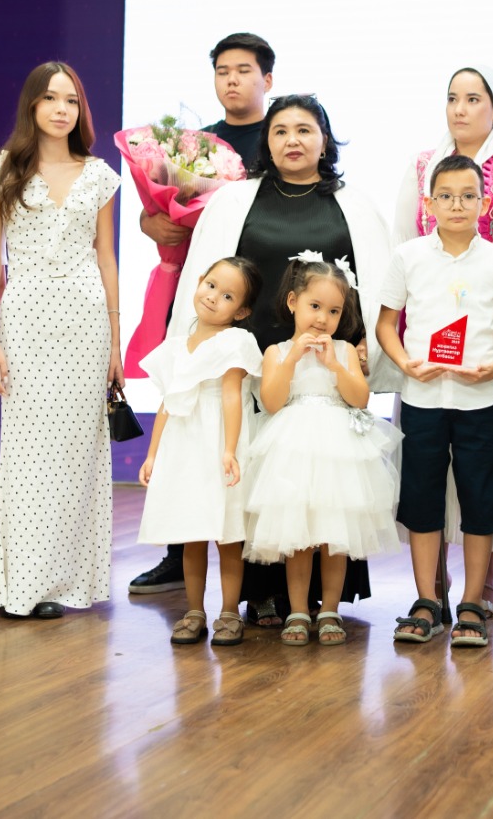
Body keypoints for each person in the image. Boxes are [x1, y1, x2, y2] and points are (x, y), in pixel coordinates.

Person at [169, 93, 399, 624]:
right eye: (280, 131)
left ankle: (324, 600)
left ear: (325, 140)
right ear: (266, 142)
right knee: (264, 472)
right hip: (251, 357)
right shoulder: (234, 200)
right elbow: (205, 279)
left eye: (304, 130)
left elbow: (376, 283)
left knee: (323, 476)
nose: (292, 140)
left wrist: (366, 342)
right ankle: (263, 592)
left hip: (327, 360)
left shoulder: (354, 204)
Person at [390, 65, 493, 617]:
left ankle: (482, 590)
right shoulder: (421, 166)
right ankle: (430, 589)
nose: (460, 108)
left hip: (492, 346)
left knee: (486, 476)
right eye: (452, 97)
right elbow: (402, 247)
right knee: (425, 476)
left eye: (474, 98)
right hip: (426, 353)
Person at [131, 32, 275, 596]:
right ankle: (177, 553)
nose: (232, 80)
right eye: (222, 71)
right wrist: (151, 221)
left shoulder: (278, 136)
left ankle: (255, 565)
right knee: (185, 408)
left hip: (255, 287)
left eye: (244, 70)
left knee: (240, 416)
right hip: (202, 285)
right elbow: (159, 207)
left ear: (267, 78)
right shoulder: (196, 146)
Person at [0, 61, 123, 619]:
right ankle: (24, 584)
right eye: (51, 99)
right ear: (32, 105)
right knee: (27, 452)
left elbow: (106, 258)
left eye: (72, 100)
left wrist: (115, 341)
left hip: (86, 320)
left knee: (79, 454)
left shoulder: (100, 175)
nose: (62, 110)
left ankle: (64, 583)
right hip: (26, 319)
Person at [378, 155, 493, 647]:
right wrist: (405, 364)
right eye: (445, 196)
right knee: (421, 501)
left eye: (468, 196)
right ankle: (427, 602)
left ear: (484, 204)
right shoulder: (408, 257)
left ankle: (471, 605)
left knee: (480, 500)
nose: (457, 205)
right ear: (429, 204)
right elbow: (386, 325)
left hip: (479, 400)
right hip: (421, 398)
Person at [244, 257, 401, 646]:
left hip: (337, 453)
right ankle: (298, 610)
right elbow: (272, 402)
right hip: (292, 450)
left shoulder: (344, 350)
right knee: (298, 538)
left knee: (334, 537)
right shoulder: (276, 352)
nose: (323, 318)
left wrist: (335, 366)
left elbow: (359, 398)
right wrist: (293, 358)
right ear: (293, 302)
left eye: (333, 311)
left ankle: (329, 609)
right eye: (315, 306)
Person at [136, 256, 264, 647]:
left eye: (227, 296)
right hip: (183, 445)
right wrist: (153, 454)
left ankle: (229, 612)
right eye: (211, 285)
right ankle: (194, 611)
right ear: (198, 282)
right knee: (190, 532)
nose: (213, 297)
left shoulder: (236, 342)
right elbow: (167, 403)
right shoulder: (176, 347)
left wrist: (229, 450)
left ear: (241, 311)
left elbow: (231, 396)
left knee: (227, 535)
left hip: (217, 441)